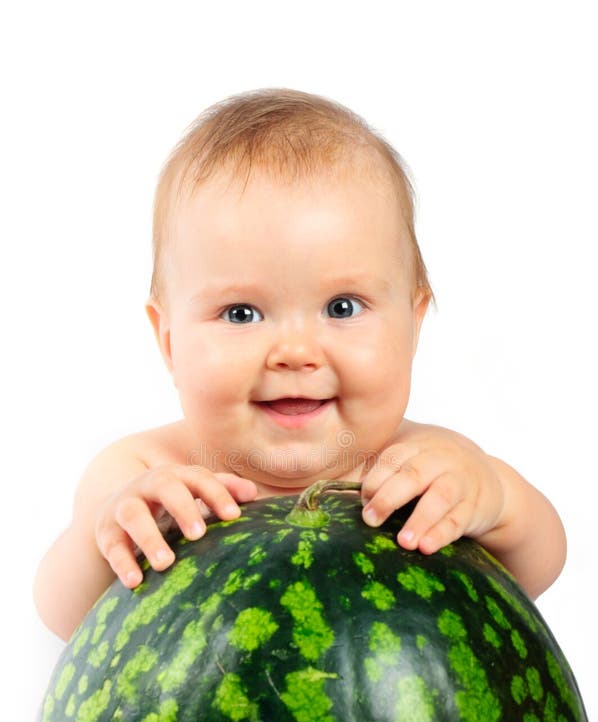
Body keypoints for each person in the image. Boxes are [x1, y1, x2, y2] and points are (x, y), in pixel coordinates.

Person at [34, 88, 566, 641]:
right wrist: (111, 538)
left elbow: (535, 570)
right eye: (241, 313)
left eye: (342, 307)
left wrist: (497, 502)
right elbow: (62, 616)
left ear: (414, 325)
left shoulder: (424, 469)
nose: (294, 352)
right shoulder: (143, 472)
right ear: (169, 342)